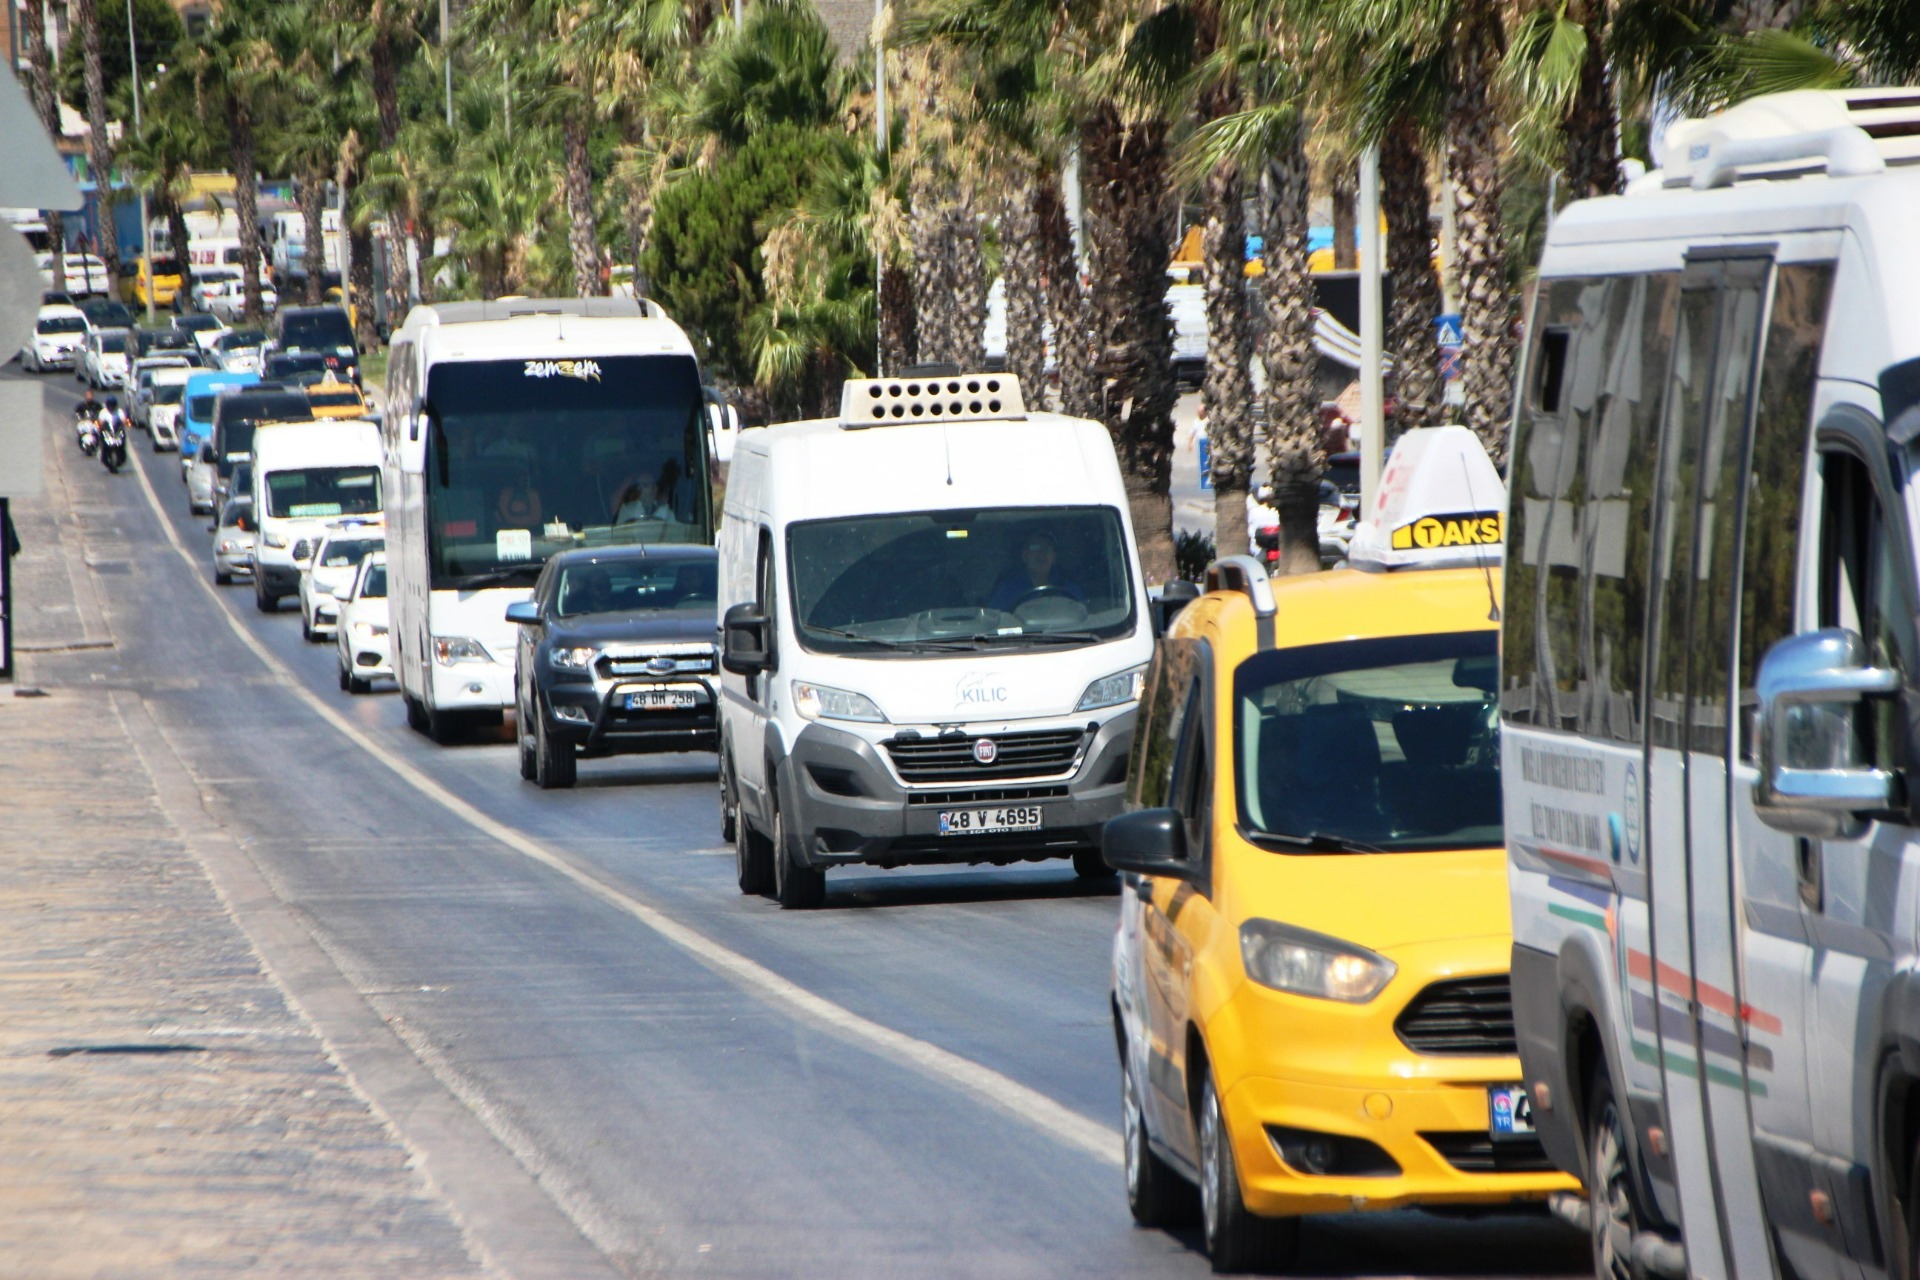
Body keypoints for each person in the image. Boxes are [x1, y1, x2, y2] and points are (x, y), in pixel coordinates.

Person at [989, 531, 1085, 613]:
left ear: (1054, 558)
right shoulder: (1007, 590)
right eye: (1035, 547)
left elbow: (1084, 618)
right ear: (1025, 555)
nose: (1041, 553)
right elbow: (995, 622)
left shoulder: (1070, 590)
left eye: (1047, 547)